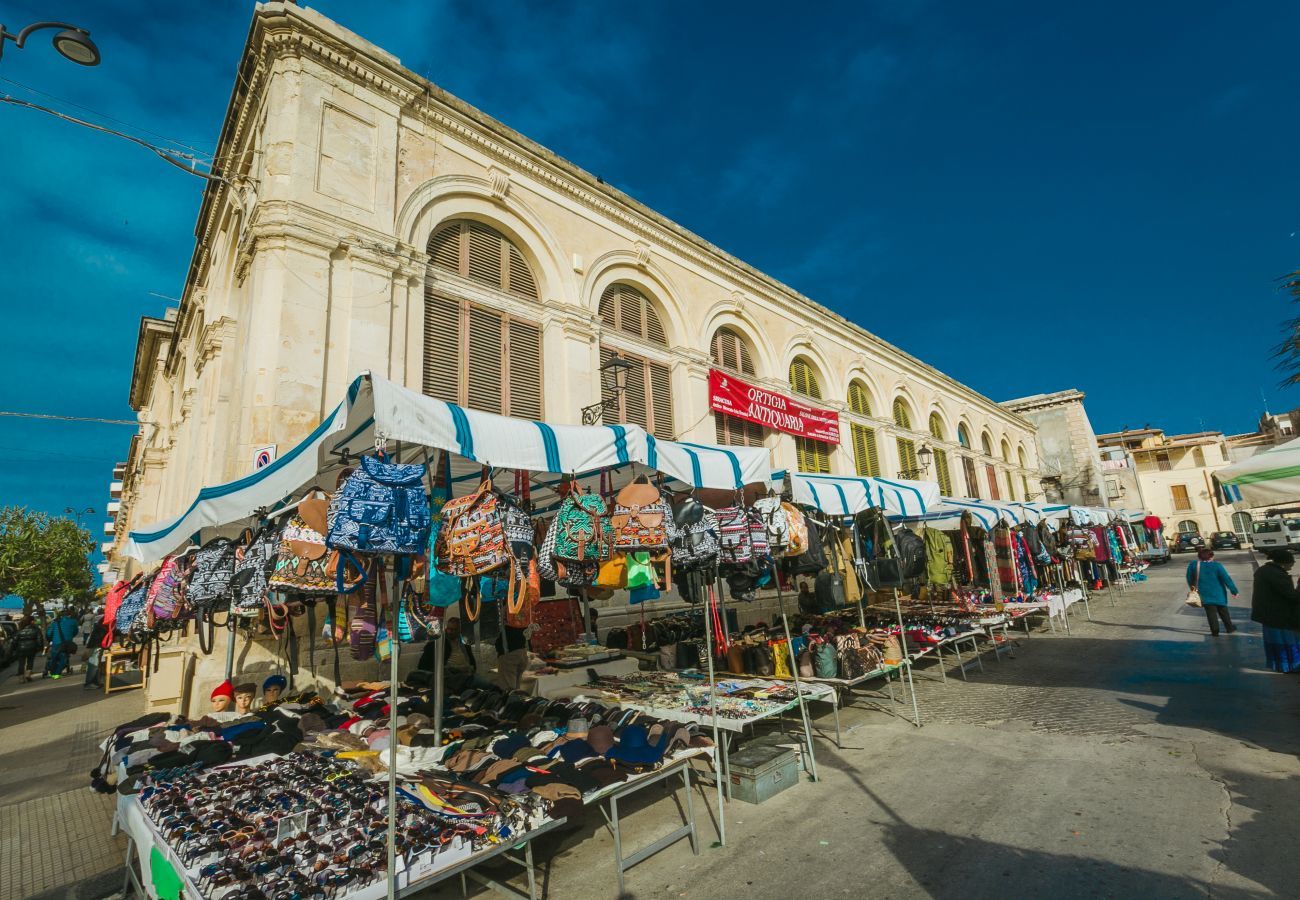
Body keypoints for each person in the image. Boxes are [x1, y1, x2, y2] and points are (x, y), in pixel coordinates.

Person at [1250, 548, 1300, 672]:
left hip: (1267, 614)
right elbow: (1292, 596)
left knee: (1275, 643)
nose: (1293, 564)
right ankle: (1291, 666)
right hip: (1279, 615)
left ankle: (1279, 665)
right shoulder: (1278, 575)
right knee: (1287, 643)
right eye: (1292, 561)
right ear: (1284, 562)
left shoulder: (1264, 570)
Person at [1187, 548, 1238, 636]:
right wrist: (1234, 591)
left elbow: (1189, 577)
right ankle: (1229, 628)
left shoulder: (1193, 565)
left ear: (1199, 556)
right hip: (1219, 594)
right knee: (1223, 611)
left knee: (1210, 613)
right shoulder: (1217, 565)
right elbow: (1226, 579)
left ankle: (1215, 631)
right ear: (1211, 556)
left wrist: (1193, 588)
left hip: (1204, 594)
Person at [495, 623, 530, 692]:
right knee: (516, 690)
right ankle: (515, 701)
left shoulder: (505, 615)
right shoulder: (520, 615)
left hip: (509, 653)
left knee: (508, 690)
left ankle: (511, 701)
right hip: (522, 650)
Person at [44, 610, 79, 679]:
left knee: (54, 658)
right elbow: (75, 631)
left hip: (56, 643)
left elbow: (48, 633)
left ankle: (51, 672)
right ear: (69, 615)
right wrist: (70, 636)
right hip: (67, 643)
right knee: (64, 658)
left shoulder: (55, 623)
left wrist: (50, 639)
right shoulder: (73, 621)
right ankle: (57, 674)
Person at [13, 615, 44, 682]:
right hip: (32, 647)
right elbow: (40, 640)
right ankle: (28, 674)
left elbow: (15, 640)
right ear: (31, 621)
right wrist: (40, 648)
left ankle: (21, 678)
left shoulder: (20, 630)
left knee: (21, 663)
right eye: (34, 620)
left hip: (21, 648)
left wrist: (15, 648)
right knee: (30, 661)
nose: (35, 622)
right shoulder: (36, 629)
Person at [84, 617, 110, 689]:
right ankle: (89, 684)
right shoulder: (106, 620)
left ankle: (95, 682)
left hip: (96, 644)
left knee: (96, 665)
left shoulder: (105, 619)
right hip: (96, 645)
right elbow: (101, 634)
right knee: (94, 665)